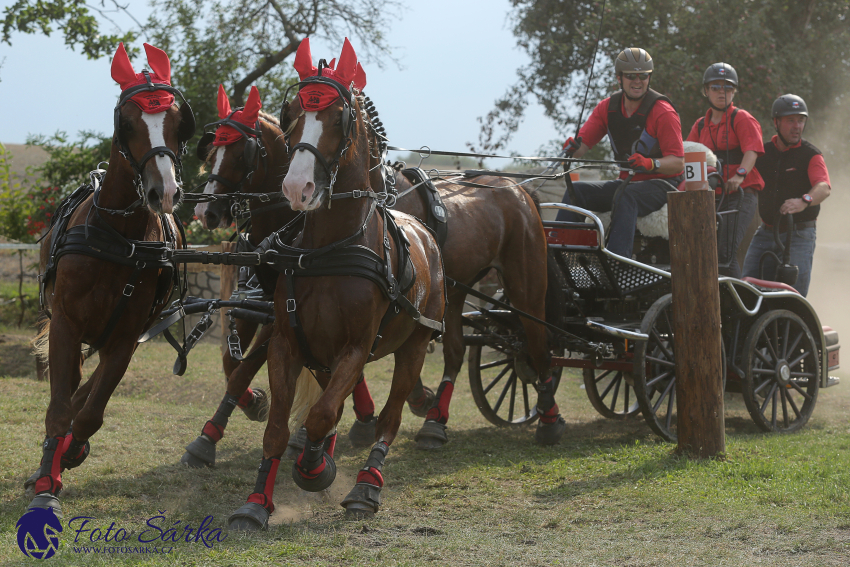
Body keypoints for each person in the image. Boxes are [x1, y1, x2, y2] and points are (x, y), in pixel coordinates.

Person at [556, 47, 685, 258]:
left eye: (643, 76)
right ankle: (560, 257)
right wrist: (571, 148)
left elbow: (678, 163)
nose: (637, 81)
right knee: (576, 191)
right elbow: (581, 148)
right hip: (627, 183)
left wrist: (650, 164)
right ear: (619, 78)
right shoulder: (607, 108)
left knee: (625, 196)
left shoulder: (663, 112)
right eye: (631, 76)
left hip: (663, 185)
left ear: (649, 77)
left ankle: (617, 262)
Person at [742, 94, 831, 297]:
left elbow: (823, 187)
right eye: (791, 120)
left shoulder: (811, 154)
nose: (797, 126)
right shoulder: (762, 153)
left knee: (793, 296)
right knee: (746, 289)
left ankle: (792, 328)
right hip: (765, 232)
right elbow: (744, 181)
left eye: (800, 120)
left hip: (799, 236)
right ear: (776, 122)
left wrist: (804, 201)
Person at [686, 63, 764, 277]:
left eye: (728, 88)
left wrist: (739, 175)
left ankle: (737, 306)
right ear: (706, 91)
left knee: (724, 254)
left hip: (741, 196)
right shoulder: (700, 125)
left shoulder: (742, 118)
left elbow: (752, 152)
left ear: (734, 92)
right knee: (702, 253)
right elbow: (689, 155)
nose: (722, 92)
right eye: (716, 87)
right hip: (711, 198)